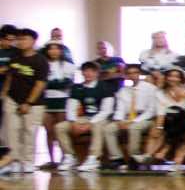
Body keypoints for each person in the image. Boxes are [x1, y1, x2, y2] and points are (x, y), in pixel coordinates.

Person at [1, 26, 50, 174]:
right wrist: (4, 93)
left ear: (33, 41)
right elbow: (10, 76)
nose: (21, 42)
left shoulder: (40, 60)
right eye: (19, 39)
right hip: (12, 99)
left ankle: (28, 161)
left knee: (29, 132)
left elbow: (40, 84)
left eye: (25, 39)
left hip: (33, 104)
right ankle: (14, 160)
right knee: (11, 132)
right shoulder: (15, 57)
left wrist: (29, 102)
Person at [108, 65, 163, 170]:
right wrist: (119, 121)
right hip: (127, 118)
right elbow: (120, 109)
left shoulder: (150, 88)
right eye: (129, 73)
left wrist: (133, 121)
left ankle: (134, 157)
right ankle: (117, 158)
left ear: (139, 74)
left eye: (135, 72)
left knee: (134, 127)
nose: (132, 75)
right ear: (126, 76)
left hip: (145, 118)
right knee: (109, 128)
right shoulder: (123, 91)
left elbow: (151, 111)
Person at [64, 62, 115, 171]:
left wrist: (90, 123)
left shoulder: (105, 87)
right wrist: (73, 122)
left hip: (102, 118)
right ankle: (70, 156)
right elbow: (71, 107)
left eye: (92, 71)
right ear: (82, 73)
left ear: (97, 73)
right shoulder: (77, 87)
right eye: (86, 71)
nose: (88, 73)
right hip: (85, 117)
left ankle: (93, 158)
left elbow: (106, 111)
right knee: (60, 127)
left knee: (97, 126)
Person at [39, 40, 77, 170]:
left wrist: (49, 83)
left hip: (62, 100)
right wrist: (54, 83)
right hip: (46, 100)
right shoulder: (43, 64)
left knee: (60, 130)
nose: (53, 51)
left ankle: (65, 157)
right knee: (48, 131)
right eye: (51, 48)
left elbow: (66, 84)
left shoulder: (68, 65)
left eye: (56, 48)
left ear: (61, 50)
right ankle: (51, 160)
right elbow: (41, 83)